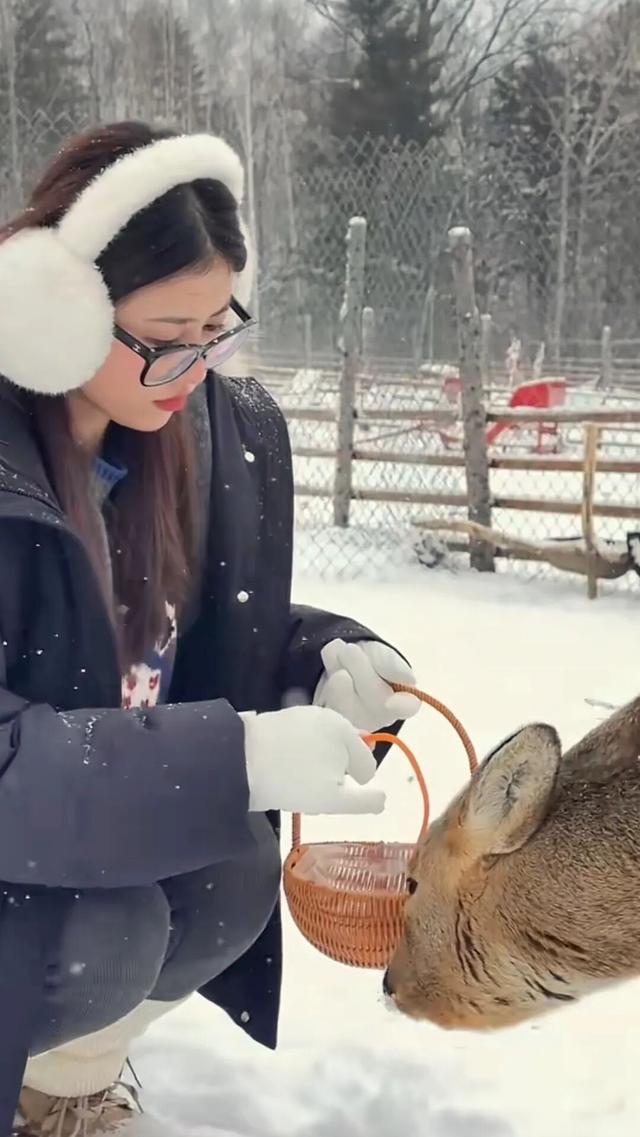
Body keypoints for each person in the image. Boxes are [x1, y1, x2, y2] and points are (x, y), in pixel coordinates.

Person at [0, 121, 419, 1136]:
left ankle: (61, 1089)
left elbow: (175, 637)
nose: (194, 368)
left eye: (216, 329)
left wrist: (322, 657)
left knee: (229, 876)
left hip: (70, 818)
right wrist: (227, 759)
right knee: (102, 931)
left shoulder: (205, 439)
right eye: (163, 338)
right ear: (49, 313)